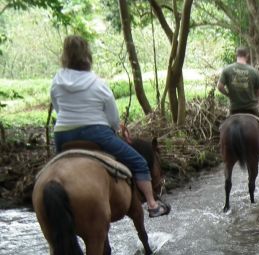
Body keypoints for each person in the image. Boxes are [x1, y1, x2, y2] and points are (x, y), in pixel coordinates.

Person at [51, 35, 170, 217]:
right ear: (87, 56)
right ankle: (153, 205)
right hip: (96, 134)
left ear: (65, 56)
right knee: (139, 163)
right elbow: (113, 119)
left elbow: (58, 110)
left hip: (63, 135)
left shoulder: (56, 81)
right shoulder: (98, 83)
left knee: (55, 173)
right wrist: (114, 128)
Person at [218, 47, 259, 156]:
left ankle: (222, 148)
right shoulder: (253, 71)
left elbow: (220, 87)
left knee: (223, 127)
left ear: (236, 55)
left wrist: (229, 95)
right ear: (247, 56)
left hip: (234, 107)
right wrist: (252, 96)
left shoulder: (227, 69)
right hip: (252, 106)